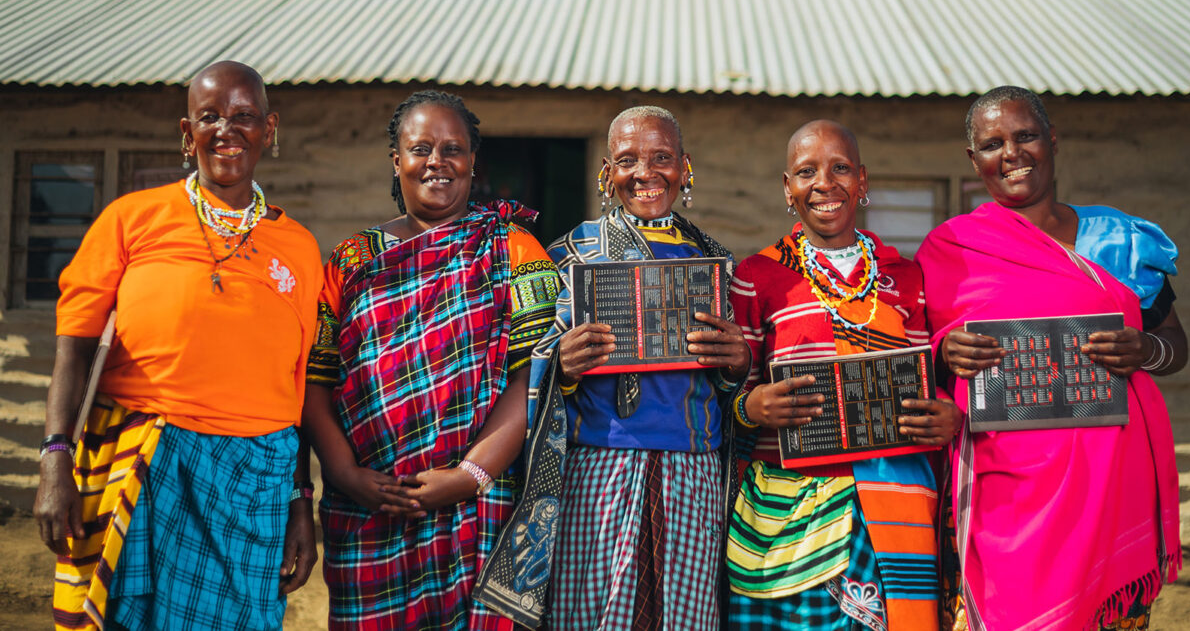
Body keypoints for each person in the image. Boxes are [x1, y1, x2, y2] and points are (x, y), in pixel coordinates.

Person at [34, 60, 322, 630]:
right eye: (209, 117)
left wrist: (301, 502)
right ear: (187, 134)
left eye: (244, 116)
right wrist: (54, 459)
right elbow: (75, 347)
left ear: (270, 129)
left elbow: (302, 385)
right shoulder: (132, 219)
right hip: (140, 460)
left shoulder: (301, 249)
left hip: (254, 482)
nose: (227, 130)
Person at [916, 85, 1186, 631]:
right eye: (993, 143)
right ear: (974, 160)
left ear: (1053, 139)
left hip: (1111, 490)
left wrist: (1145, 351)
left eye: (1026, 135)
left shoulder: (1119, 241)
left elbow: (1175, 349)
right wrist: (945, 351)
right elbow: (919, 359)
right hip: (1007, 501)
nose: (1012, 154)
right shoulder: (954, 252)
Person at [478, 106, 749, 630]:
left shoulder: (715, 261)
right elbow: (532, 362)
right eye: (628, 161)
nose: (645, 173)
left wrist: (737, 364)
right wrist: (565, 364)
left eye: (662, 158)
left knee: (683, 619)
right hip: (599, 471)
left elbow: (729, 385)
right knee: (592, 615)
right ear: (607, 173)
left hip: (690, 475)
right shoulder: (572, 255)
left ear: (685, 167)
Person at [302, 90, 562, 630]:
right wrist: (346, 475)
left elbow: (535, 377)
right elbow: (316, 379)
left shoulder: (513, 249)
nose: (437, 162)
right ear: (397, 161)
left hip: (481, 507)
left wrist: (470, 474)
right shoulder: (352, 260)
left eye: (454, 149)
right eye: (421, 148)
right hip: (370, 510)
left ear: (473, 162)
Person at [725, 120, 958, 631]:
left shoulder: (907, 278)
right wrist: (752, 406)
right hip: (787, 519)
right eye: (807, 172)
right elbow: (726, 394)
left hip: (897, 510)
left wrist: (948, 418)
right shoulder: (758, 276)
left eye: (841, 169)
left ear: (863, 181)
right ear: (788, 187)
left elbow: (927, 382)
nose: (825, 184)